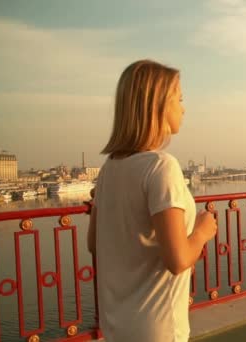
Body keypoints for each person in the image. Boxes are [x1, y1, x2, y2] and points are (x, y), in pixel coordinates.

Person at [87, 59, 217, 341]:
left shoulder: (110, 168)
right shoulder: (161, 167)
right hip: (156, 328)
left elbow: (92, 243)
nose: (183, 108)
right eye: (179, 99)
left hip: (116, 324)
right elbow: (178, 260)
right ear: (156, 105)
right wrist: (203, 232)